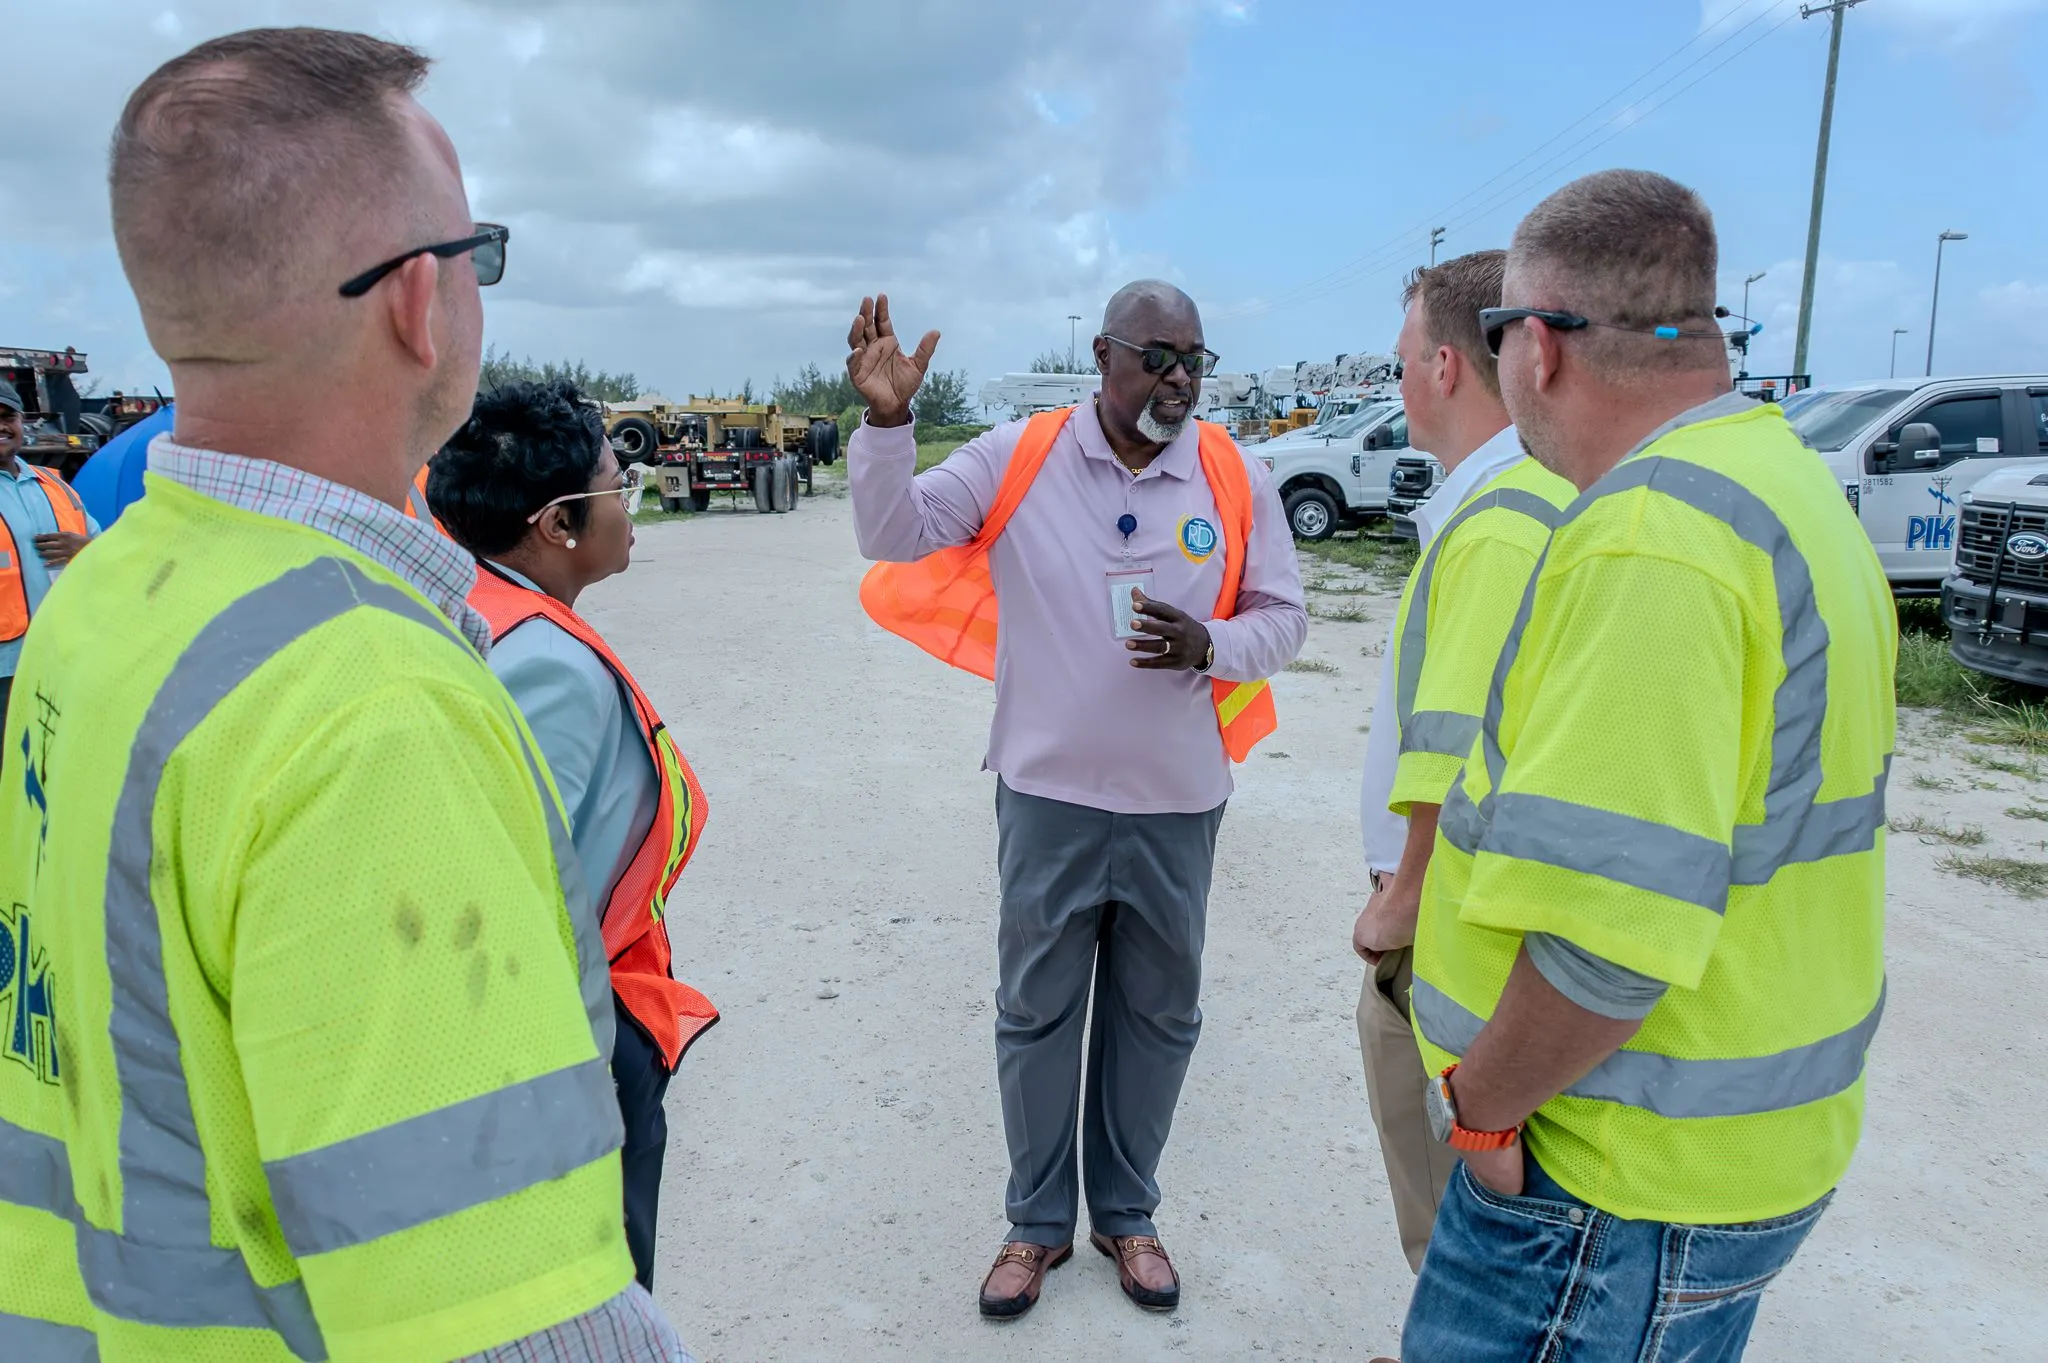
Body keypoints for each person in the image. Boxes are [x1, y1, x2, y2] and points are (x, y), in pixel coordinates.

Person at [0, 28, 696, 1362]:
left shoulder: (108, 588)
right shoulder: (369, 704)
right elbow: (499, 1313)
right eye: (478, 253)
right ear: (419, 301)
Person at [1399, 169, 1892, 1362]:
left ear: (1541, 348)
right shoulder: (1778, 484)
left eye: (1506, 327)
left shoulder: (1651, 539)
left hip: (1604, 1179)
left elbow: (1606, 945)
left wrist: (1475, 1115)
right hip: (1723, 1154)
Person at [846, 283, 1307, 1319]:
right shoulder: (1019, 454)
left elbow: (1283, 617)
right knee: (1035, 1013)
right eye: (1155, 356)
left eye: (1194, 358)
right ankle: (1033, 1224)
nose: (1177, 378)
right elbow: (892, 533)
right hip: (1048, 794)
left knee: (1159, 1015)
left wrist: (1213, 646)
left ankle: (1128, 1214)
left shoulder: (1233, 473)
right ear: (1103, 355)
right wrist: (886, 422)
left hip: (1179, 802)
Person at [430, 379, 719, 1294]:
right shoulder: (543, 665)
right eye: (614, 480)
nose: (628, 496)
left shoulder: (474, 603)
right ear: (558, 522)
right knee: (598, 1284)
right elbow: (513, 895)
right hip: (572, 1035)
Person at [1349, 250, 1574, 1276]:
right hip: (1466, 917)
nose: (1393, 386)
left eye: (1399, 362)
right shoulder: (1523, 499)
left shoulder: (1493, 523)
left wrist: (1398, 898)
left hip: (1444, 933)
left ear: (1443, 366)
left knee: (1451, 1223)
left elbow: (1452, 754)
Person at [0, 378, 98, 750]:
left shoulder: (55, 486)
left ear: (23, 423)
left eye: (8, 416)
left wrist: (87, 548)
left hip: (61, 655)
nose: (2, 426)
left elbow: (102, 548)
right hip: (5, 670)